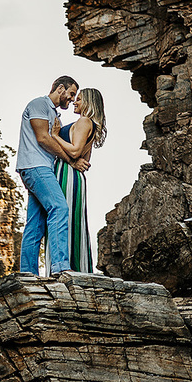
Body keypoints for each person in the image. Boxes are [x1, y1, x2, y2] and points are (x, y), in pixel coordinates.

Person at [15, 76, 89, 274]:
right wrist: (71, 161)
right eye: (71, 94)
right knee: (59, 207)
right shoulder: (39, 104)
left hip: (40, 169)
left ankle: (28, 273)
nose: (72, 99)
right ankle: (60, 267)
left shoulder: (54, 115)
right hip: (36, 167)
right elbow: (43, 138)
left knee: (35, 224)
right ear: (60, 88)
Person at [45, 87, 108, 274]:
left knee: (61, 220)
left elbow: (75, 151)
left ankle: (61, 269)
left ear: (88, 102)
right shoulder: (92, 125)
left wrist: (55, 136)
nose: (75, 102)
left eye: (79, 99)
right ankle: (77, 268)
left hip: (66, 174)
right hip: (75, 176)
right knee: (73, 220)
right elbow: (85, 160)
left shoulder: (84, 121)